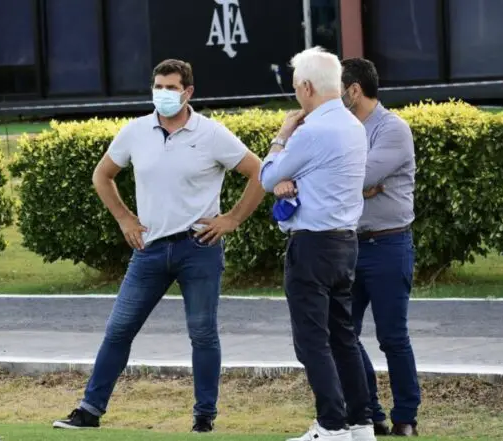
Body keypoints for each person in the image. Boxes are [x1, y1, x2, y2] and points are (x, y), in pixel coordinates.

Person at [52, 59, 266, 433]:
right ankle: (89, 410)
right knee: (119, 329)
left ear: (188, 93)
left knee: (202, 333)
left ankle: (204, 417)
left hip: (198, 247)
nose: (163, 94)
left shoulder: (212, 134)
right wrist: (124, 218)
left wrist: (232, 218)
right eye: (158, 87)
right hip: (149, 249)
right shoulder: (136, 131)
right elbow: (102, 175)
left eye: (171, 88)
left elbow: (259, 172)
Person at [259, 47, 376, 441]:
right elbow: (306, 176)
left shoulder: (310, 130)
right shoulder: (352, 125)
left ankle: (331, 424)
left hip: (312, 245)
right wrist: (292, 181)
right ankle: (360, 421)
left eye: (296, 88)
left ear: (307, 87)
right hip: (345, 242)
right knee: (342, 335)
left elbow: (267, 175)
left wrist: (282, 135)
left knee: (312, 341)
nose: (296, 96)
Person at [340, 57, 421, 437]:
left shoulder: (393, 130)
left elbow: (363, 176)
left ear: (354, 90)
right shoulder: (342, 129)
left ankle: (406, 416)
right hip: (349, 245)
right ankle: (370, 412)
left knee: (392, 336)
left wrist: (353, 181)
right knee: (342, 332)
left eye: (337, 88)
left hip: (389, 245)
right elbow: (350, 179)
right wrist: (356, 183)